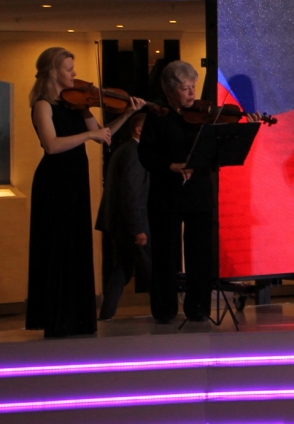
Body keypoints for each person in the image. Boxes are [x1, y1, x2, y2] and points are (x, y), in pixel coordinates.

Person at [26, 46, 144, 338]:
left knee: (76, 245)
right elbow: (51, 145)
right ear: (53, 72)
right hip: (54, 182)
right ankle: (56, 319)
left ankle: (77, 317)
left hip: (75, 181)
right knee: (57, 246)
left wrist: (128, 113)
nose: (74, 74)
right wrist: (89, 134)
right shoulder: (43, 105)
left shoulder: (77, 104)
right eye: (68, 69)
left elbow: (104, 135)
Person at [139, 60, 258, 324]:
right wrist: (170, 165)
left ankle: (198, 308)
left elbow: (217, 147)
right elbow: (145, 153)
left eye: (193, 86)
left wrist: (238, 127)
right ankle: (164, 310)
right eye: (185, 88)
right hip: (166, 193)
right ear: (170, 90)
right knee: (166, 253)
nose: (192, 93)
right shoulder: (158, 116)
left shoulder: (203, 116)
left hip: (198, 191)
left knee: (200, 252)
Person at [95, 112, 151, 321]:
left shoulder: (124, 150)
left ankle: (106, 313)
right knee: (150, 268)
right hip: (130, 224)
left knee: (122, 269)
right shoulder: (135, 153)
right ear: (139, 130)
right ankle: (164, 312)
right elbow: (131, 193)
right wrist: (138, 229)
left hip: (118, 223)